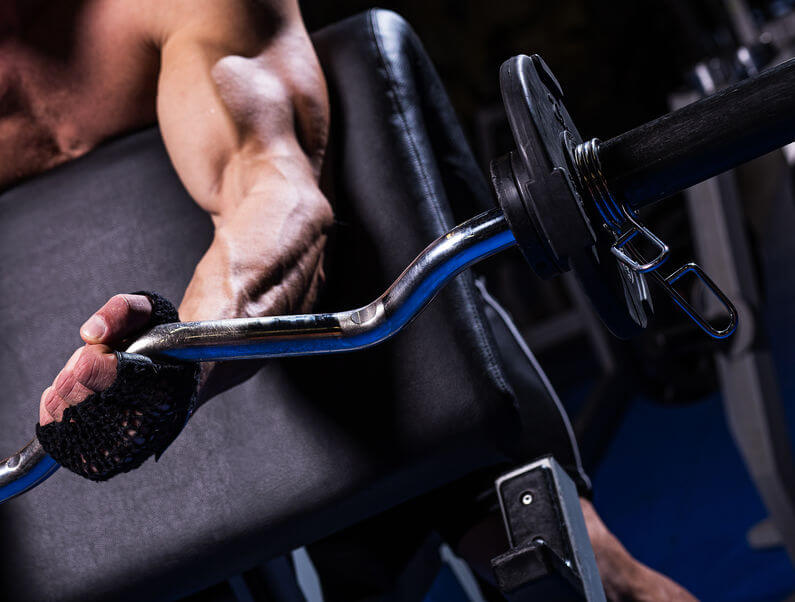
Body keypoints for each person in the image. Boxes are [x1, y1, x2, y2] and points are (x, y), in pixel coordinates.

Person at [2, 0, 695, 599]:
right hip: (65, 462)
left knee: (591, 577)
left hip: (340, 343)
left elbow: (272, 191)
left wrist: (175, 362)